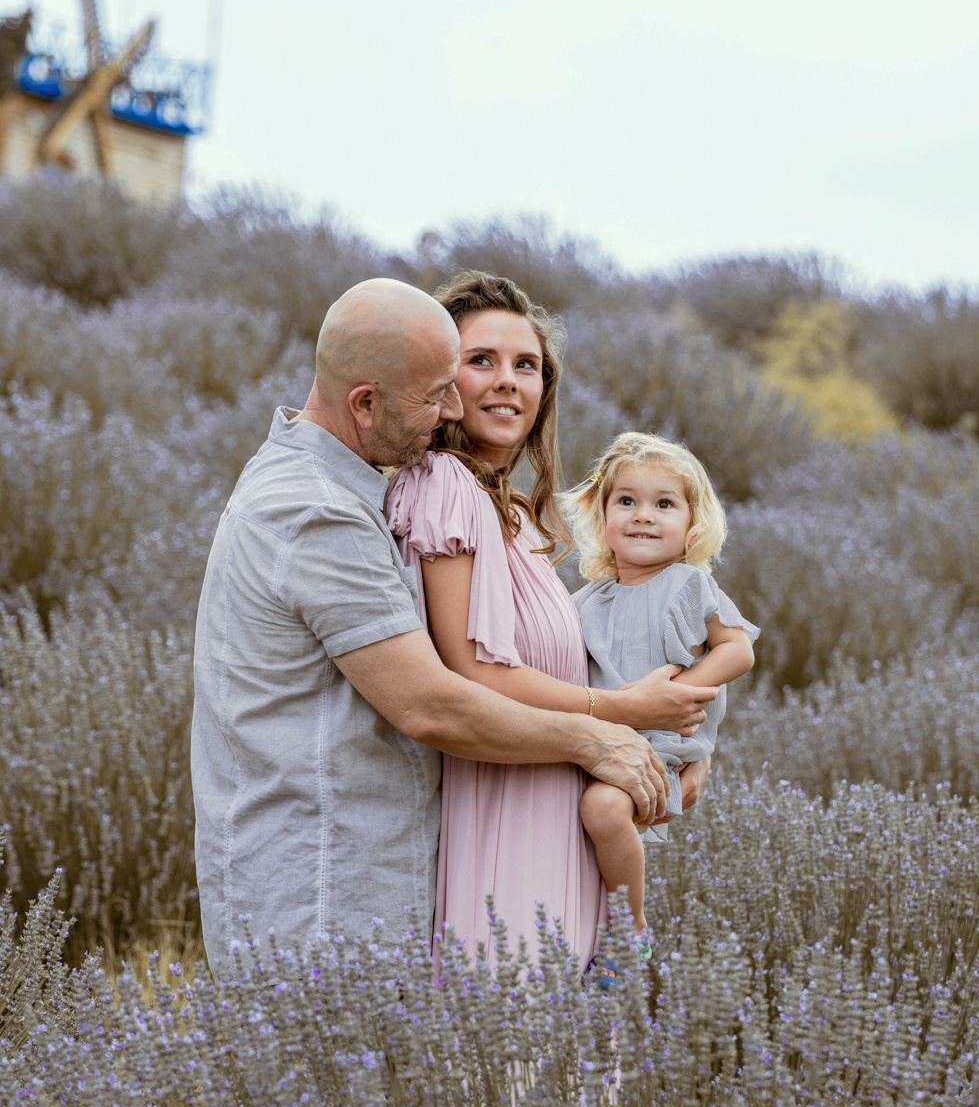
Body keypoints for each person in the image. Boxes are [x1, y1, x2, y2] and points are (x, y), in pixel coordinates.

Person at [190, 278, 671, 978]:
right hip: (318, 902)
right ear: (365, 403)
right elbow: (430, 702)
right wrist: (600, 734)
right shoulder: (314, 511)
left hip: (363, 890)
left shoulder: (354, 493)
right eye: (436, 393)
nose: (452, 409)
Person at [385, 275, 717, 966]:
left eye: (525, 365)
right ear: (442, 383)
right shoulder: (446, 487)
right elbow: (476, 674)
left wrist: (677, 740)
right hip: (509, 816)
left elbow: (576, 664)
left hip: (561, 812)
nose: (507, 381)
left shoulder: (514, 519)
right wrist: (622, 709)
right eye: (482, 361)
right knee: (520, 1045)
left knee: (568, 1058)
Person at [565, 432, 759, 933]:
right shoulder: (590, 600)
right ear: (602, 517)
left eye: (664, 504)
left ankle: (630, 929)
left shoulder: (687, 585)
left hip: (661, 743)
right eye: (626, 501)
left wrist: (683, 693)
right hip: (601, 736)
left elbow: (737, 649)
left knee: (604, 808)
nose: (643, 515)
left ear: (692, 525)